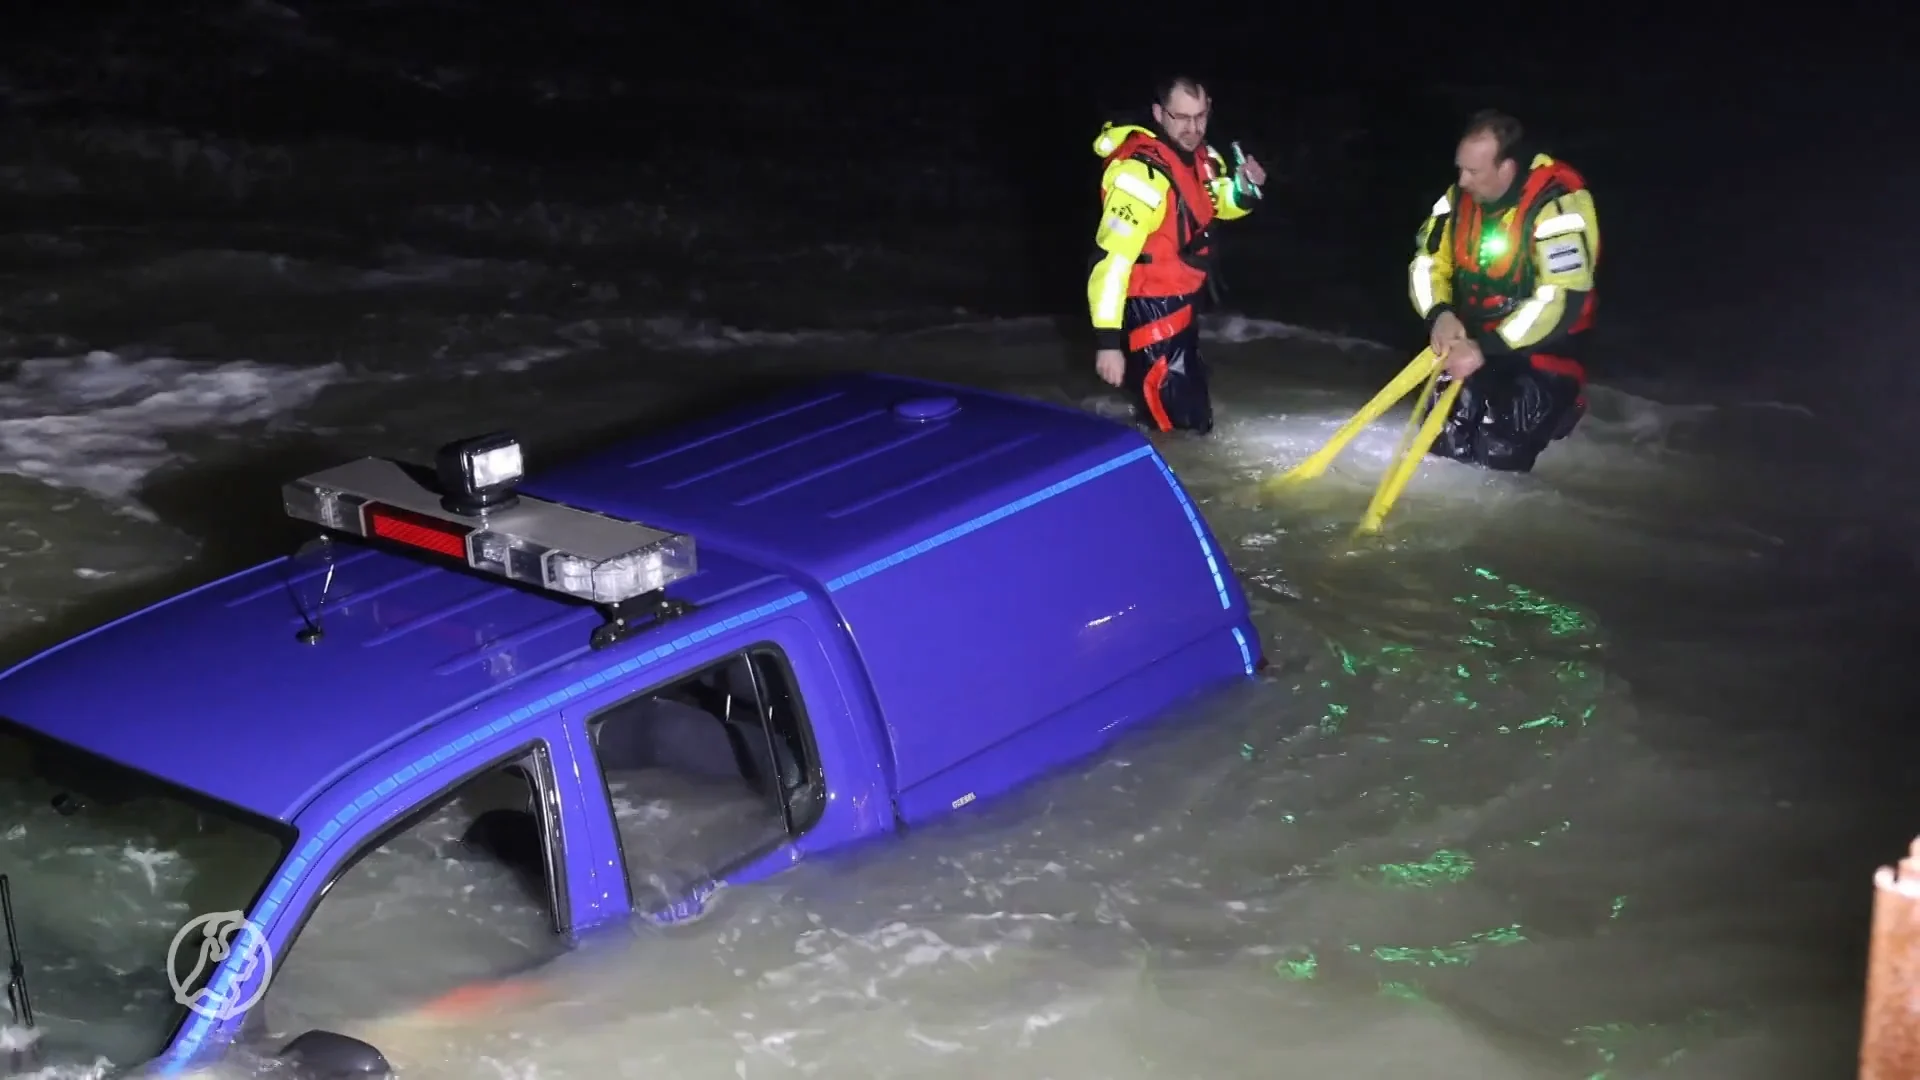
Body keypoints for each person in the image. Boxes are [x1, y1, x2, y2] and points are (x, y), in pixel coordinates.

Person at [1409, 109, 1601, 472]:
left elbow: (1563, 295)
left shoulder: (1557, 206)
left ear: (1507, 169)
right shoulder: (1456, 199)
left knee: (1500, 455)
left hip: (1543, 351)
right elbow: (1427, 262)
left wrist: (1486, 348)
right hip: (1475, 342)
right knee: (1442, 443)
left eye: (1473, 172)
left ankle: (1566, 405)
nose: (1462, 181)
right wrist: (1440, 314)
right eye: (1460, 168)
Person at [1088, 76, 1266, 436]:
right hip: (1151, 312)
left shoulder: (1202, 157)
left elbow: (1214, 204)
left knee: (1192, 420)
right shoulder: (1139, 175)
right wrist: (1108, 344)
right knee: (1179, 432)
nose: (1193, 128)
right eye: (1182, 118)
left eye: (1200, 116)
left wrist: (1246, 190)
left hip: (1183, 309)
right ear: (1159, 113)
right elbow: (1111, 261)